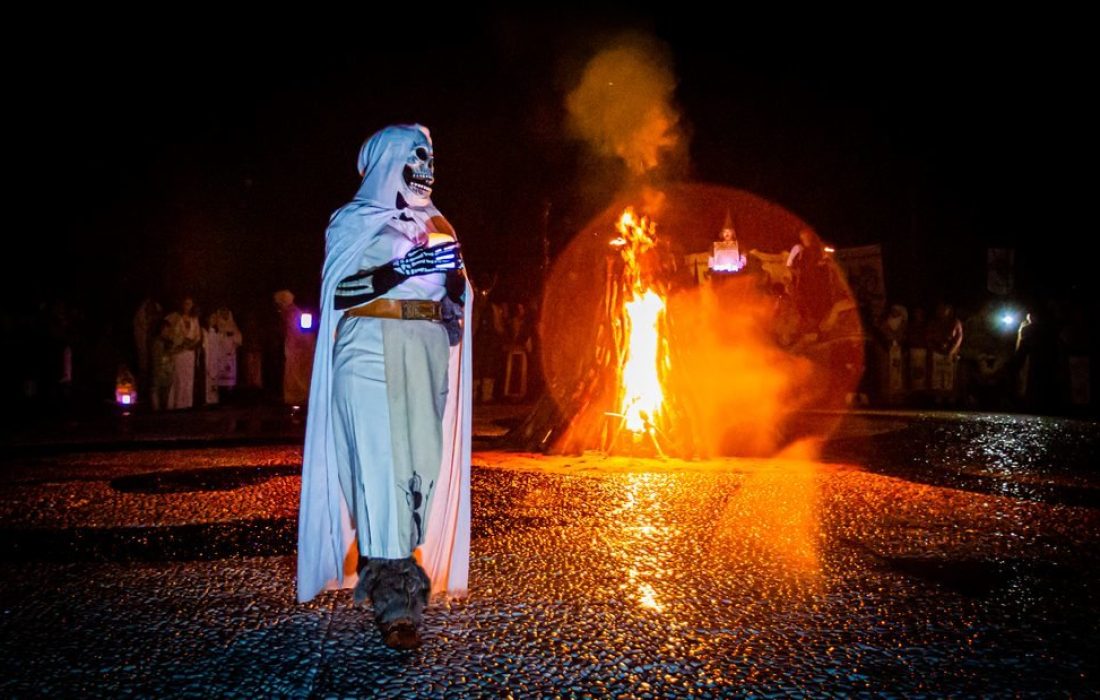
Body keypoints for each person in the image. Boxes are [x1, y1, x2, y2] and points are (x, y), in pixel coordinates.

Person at [297, 124, 472, 650]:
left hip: (425, 347)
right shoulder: (355, 220)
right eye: (418, 157)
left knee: (419, 466)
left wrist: (455, 295)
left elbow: (459, 288)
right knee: (378, 467)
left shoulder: (438, 221)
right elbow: (340, 292)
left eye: (432, 158)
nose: (428, 167)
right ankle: (397, 601)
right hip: (370, 343)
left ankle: (397, 565)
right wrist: (405, 268)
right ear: (392, 161)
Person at [274, 290, 316, 407]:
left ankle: (298, 398)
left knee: (298, 375)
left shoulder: (294, 314)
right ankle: (295, 397)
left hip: (299, 351)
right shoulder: (288, 314)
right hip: (294, 350)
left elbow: (303, 334)